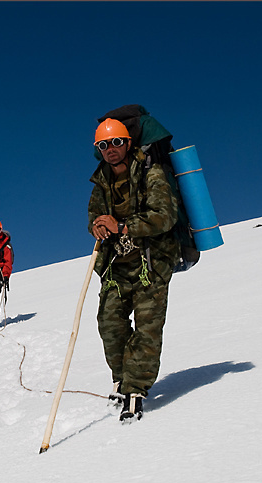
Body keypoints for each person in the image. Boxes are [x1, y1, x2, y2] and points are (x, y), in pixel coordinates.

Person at [87, 117, 180, 423]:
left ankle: (135, 390)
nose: (110, 150)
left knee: (147, 326)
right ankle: (122, 379)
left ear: (127, 143)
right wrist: (98, 226)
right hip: (116, 265)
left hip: (151, 261)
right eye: (103, 145)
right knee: (109, 323)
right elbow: (94, 218)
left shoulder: (150, 172)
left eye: (115, 143)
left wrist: (124, 225)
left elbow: (165, 216)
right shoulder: (101, 181)